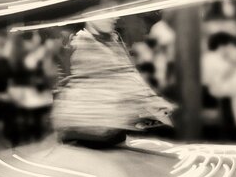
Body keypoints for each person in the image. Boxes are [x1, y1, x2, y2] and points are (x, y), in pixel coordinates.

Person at [52, 17, 174, 146]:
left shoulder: (112, 40)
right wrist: (152, 103)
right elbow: (122, 82)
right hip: (90, 137)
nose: (114, 17)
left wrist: (153, 100)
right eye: (105, 11)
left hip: (110, 135)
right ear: (88, 15)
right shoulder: (83, 45)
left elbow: (129, 74)